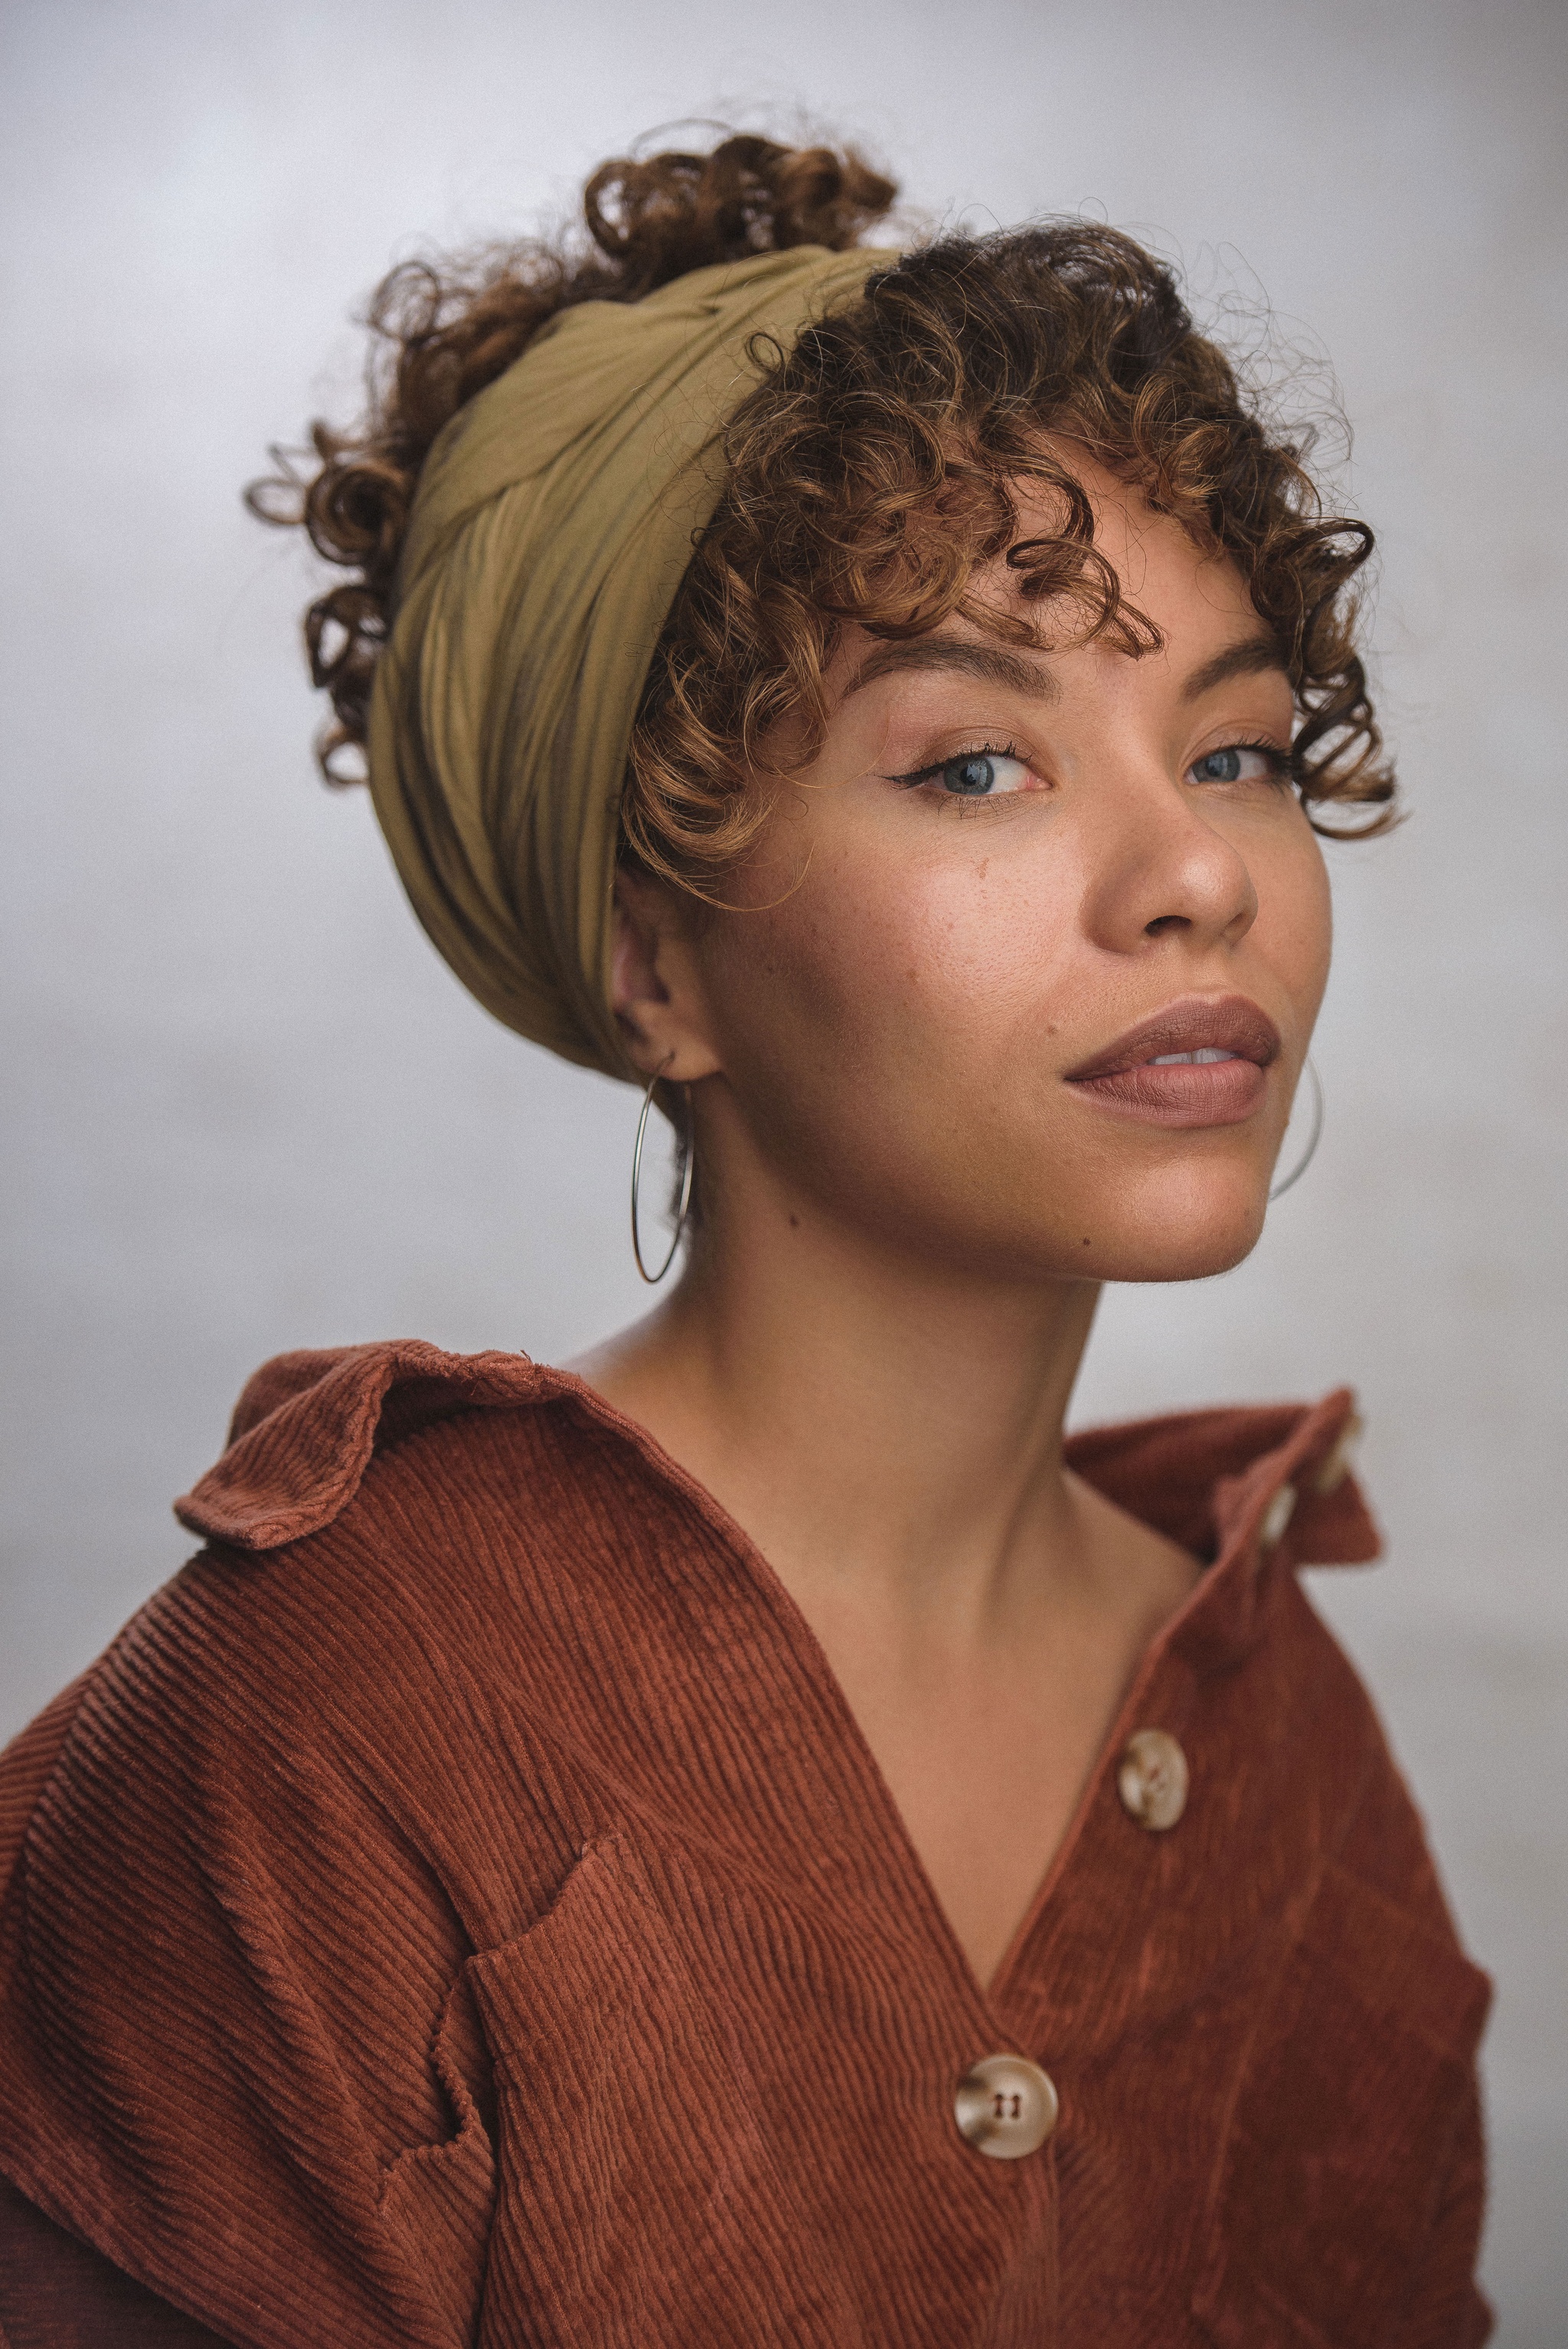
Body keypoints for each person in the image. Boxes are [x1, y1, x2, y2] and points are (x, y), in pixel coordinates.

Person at [0, 133, 1490, 2346]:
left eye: (1248, 746)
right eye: (976, 765)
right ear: (653, 961)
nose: (1198, 872)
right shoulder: (315, 1734)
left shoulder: (1288, 1763)